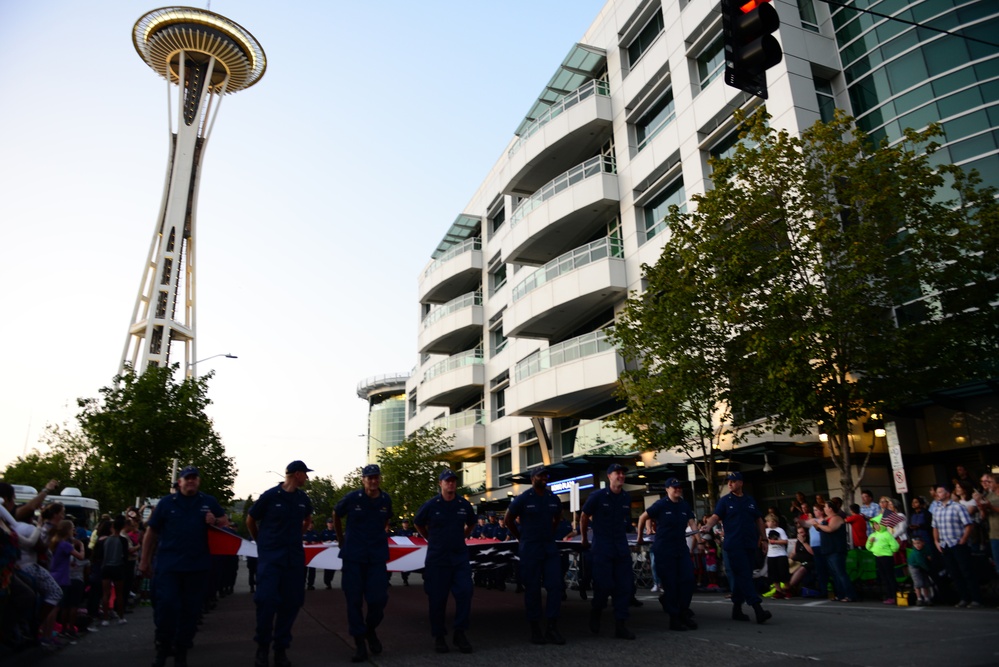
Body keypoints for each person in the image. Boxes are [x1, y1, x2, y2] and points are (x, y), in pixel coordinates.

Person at [140, 466, 228, 667]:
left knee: (191, 611)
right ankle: (162, 647)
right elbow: (151, 533)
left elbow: (224, 520)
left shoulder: (207, 502)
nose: (191, 482)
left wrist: (215, 520)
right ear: (179, 482)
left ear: (198, 481)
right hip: (169, 566)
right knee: (167, 606)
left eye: (194, 478)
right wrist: (144, 561)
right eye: (187, 479)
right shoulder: (166, 503)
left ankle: (181, 651)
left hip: (197, 566)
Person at [246, 460, 314, 667]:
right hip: (271, 557)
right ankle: (262, 647)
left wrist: (296, 537)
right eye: (305, 474)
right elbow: (250, 519)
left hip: (293, 558)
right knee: (266, 601)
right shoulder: (270, 496)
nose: (308, 478)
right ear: (297, 474)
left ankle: (281, 649)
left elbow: (307, 520)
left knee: (292, 602)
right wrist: (261, 543)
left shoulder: (303, 499)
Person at [334, 463, 392, 663]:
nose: (373, 481)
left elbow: (386, 520)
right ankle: (359, 643)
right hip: (354, 558)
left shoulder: (386, 499)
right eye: (369, 477)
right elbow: (336, 513)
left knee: (379, 600)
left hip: (376, 557)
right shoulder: (352, 498)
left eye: (376, 477)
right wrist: (341, 539)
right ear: (363, 480)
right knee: (354, 601)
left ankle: (370, 630)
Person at [414, 469, 475, 654]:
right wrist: (431, 538)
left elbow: (471, 522)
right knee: (437, 599)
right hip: (438, 558)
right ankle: (439, 636)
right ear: (440, 483)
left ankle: (460, 633)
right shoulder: (432, 505)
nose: (451, 484)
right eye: (447, 481)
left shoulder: (463, 504)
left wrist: (462, 536)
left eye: (453, 481)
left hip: (459, 557)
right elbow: (418, 522)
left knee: (466, 591)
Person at [505, 465, 566, 644]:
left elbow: (557, 517)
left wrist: (550, 534)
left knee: (555, 586)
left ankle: (552, 628)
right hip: (530, 548)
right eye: (541, 476)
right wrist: (520, 538)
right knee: (532, 589)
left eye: (546, 475)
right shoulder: (523, 499)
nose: (544, 478)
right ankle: (535, 629)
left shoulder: (553, 498)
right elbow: (508, 519)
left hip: (549, 548)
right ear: (533, 479)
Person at [701, 472, 771, 624]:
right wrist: (707, 526)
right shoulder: (725, 501)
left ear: (741, 483)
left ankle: (737, 610)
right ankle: (757, 608)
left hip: (750, 544)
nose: (730, 484)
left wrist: (764, 538)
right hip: (734, 545)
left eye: (733, 481)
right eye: (729, 482)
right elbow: (715, 516)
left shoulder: (750, 500)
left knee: (741, 576)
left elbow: (759, 519)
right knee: (745, 575)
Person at [580, 463, 637, 639]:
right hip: (602, 548)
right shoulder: (597, 496)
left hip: (620, 547)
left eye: (623, 473)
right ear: (609, 476)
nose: (621, 476)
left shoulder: (626, 497)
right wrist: (583, 538)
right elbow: (583, 516)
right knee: (603, 586)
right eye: (617, 473)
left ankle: (620, 625)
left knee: (624, 587)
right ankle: (596, 612)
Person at [637, 477, 697, 631]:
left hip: (680, 548)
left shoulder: (684, 505)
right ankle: (674, 618)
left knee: (688, 580)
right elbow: (644, 517)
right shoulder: (661, 504)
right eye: (674, 487)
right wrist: (641, 536)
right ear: (667, 489)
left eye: (679, 487)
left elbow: (691, 522)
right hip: (664, 548)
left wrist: (700, 538)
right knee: (670, 584)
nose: (677, 489)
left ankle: (684, 611)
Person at [931, 482, 982, 608]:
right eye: (937, 492)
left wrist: (964, 539)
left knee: (966, 571)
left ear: (947, 493)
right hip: (945, 544)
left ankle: (976, 599)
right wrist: (936, 541)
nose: (938, 494)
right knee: (954, 572)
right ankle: (963, 598)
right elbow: (935, 527)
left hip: (958, 543)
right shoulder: (936, 509)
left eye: (940, 492)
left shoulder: (957, 507)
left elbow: (968, 524)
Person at [810, 499, 856, 603]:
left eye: (826, 507)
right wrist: (816, 525)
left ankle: (850, 595)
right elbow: (820, 529)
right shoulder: (826, 519)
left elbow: (830, 529)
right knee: (834, 574)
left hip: (836, 550)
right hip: (827, 549)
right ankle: (840, 594)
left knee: (841, 573)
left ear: (830, 508)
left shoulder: (837, 518)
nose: (824, 509)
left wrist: (818, 525)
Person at [866, 516, 900, 604]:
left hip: (887, 558)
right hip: (878, 557)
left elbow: (895, 546)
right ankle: (888, 596)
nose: (875, 526)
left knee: (890, 577)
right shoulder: (872, 535)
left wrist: (890, 552)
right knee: (883, 577)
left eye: (877, 524)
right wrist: (870, 542)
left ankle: (894, 596)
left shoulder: (887, 534)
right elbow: (868, 547)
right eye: (874, 524)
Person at [976, 473, 999, 576]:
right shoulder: (988, 496)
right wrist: (982, 508)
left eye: (990, 482)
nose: (987, 484)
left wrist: (991, 507)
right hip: (994, 534)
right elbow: (983, 516)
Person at [764, 514, 790, 599]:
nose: (767, 523)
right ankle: (778, 590)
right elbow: (764, 540)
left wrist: (775, 541)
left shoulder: (780, 530)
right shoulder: (766, 531)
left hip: (780, 554)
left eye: (769, 521)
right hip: (771, 554)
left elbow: (785, 541)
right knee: (773, 573)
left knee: (783, 573)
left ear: (774, 522)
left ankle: (787, 589)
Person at [907, 536, 934, 605]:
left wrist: (929, 557)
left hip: (923, 565)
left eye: (919, 543)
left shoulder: (926, 549)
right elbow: (921, 562)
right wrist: (928, 569)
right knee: (918, 583)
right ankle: (919, 598)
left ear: (923, 543)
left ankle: (927, 598)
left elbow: (929, 554)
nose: (917, 545)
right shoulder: (916, 553)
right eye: (915, 544)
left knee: (925, 582)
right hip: (914, 566)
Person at [318, 517, 338, 589]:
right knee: (327, 568)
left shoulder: (336, 532)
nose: (330, 524)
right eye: (329, 523)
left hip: (334, 553)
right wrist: (325, 542)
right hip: (326, 553)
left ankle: (330, 580)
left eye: (332, 523)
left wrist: (336, 541)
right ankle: (327, 582)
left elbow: (341, 540)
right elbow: (319, 541)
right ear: (327, 524)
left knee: (333, 568)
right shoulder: (324, 532)